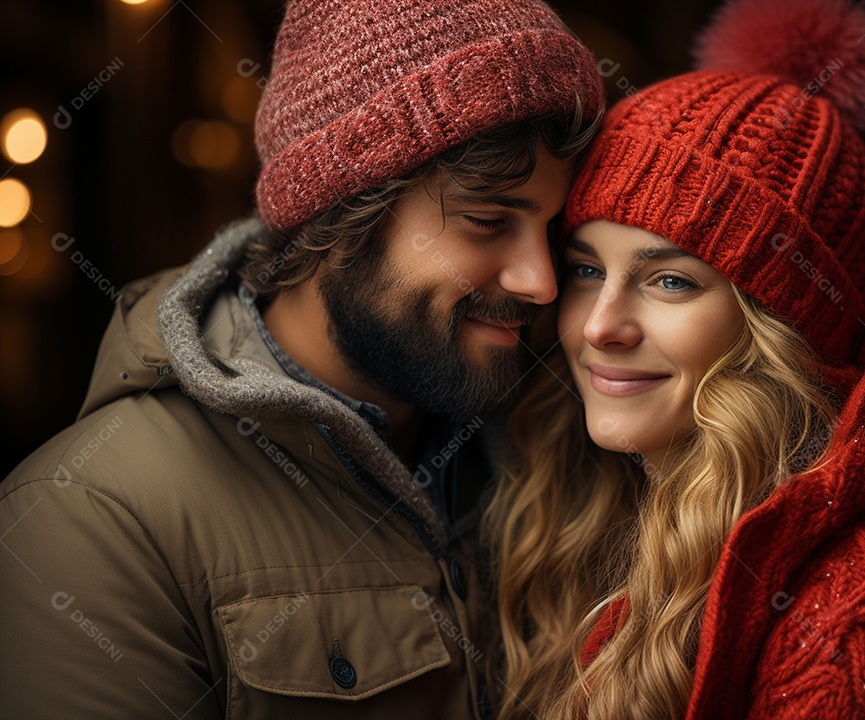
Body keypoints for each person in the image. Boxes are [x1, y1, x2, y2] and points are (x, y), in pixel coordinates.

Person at [0, 0, 602, 717]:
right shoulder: (93, 521)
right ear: (338, 215)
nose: (540, 281)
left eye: (552, 230)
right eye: (486, 220)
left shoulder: (557, 453)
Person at [484, 0, 865, 718]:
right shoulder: (600, 518)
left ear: (778, 326)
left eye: (670, 281)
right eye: (587, 270)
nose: (599, 326)